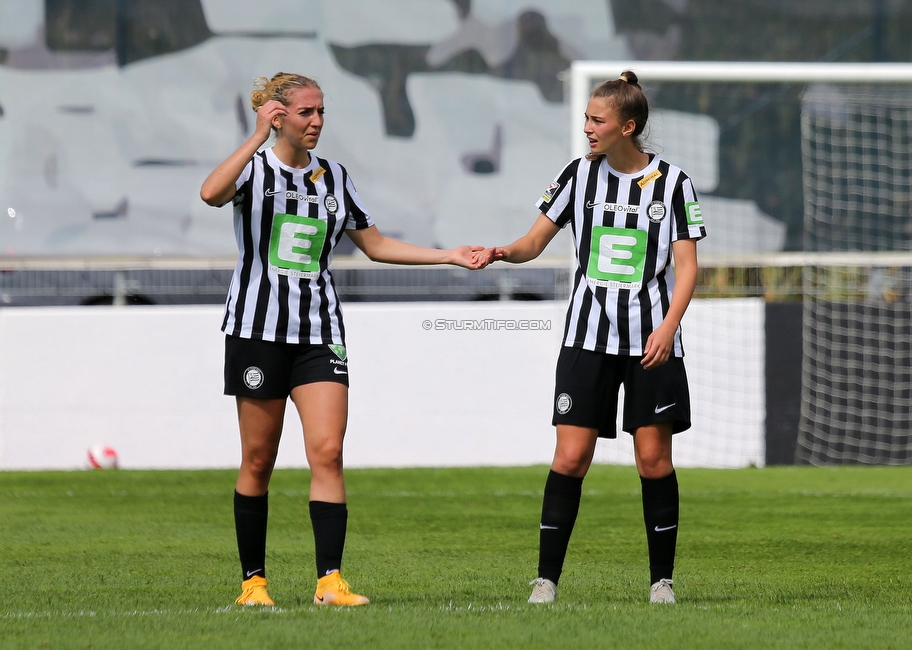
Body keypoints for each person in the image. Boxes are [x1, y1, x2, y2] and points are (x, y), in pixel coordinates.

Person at [200, 72, 491, 607]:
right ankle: (253, 584)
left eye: (321, 111)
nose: (316, 122)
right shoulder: (254, 169)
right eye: (306, 112)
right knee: (258, 460)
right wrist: (254, 137)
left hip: (319, 332)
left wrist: (447, 254)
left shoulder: (334, 177)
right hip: (256, 331)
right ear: (278, 115)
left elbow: (375, 245)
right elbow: (210, 193)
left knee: (328, 452)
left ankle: (330, 582)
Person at [481, 71, 706, 604]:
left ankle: (662, 582)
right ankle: (546, 581)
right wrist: (499, 253)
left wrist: (668, 326)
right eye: (586, 118)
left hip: (651, 340)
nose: (587, 128)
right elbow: (534, 242)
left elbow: (688, 267)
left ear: (627, 127)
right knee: (570, 457)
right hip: (586, 338)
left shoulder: (673, 183)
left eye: (596, 120)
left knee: (653, 461)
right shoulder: (578, 176)